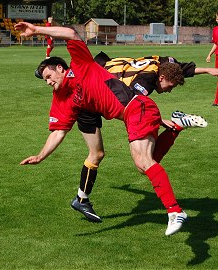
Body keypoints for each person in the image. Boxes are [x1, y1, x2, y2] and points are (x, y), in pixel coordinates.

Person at [14, 22, 189, 236]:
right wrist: (41, 156)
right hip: (135, 113)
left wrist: (36, 30)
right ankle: (176, 127)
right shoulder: (62, 99)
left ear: (60, 68)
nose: (48, 82)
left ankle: (174, 211)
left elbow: (70, 33)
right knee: (146, 164)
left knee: (144, 162)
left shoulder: (80, 64)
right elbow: (58, 131)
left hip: (137, 107)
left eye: (49, 77)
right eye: (45, 81)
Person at [67, 52, 218, 223]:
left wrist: (210, 70)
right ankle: (81, 200)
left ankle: (81, 199)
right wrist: (159, 120)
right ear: (162, 77)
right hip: (91, 94)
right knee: (116, 157)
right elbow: (134, 105)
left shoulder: (164, 64)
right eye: (170, 86)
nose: (170, 91)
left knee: (139, 162)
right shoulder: (144, 82)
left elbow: (183, 68)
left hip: (98, 88)